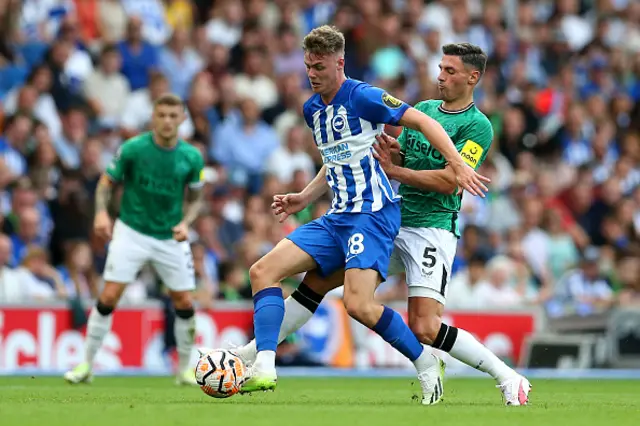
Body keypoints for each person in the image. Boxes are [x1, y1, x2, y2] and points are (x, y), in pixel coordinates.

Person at [231, 43, 531, 406]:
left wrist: (396, 169)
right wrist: (390, 154)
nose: (440, 76)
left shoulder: (477, 126)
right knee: (318, 282)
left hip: (432, 227)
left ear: (473, 77)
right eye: (440, 68)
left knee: (425, 327)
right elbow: (386, 153)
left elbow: (452, 180)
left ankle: (507, 376)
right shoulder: (423, 108)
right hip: (390, 217)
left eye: (450, 71)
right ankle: (253, 355)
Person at [64, 94, 205, 386]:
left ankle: (184, 369)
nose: (167, 121)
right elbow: (106, 183)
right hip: (132, 232)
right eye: (161, 115)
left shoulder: (191, 157)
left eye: (172, 115)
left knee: (184, 300)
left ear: (181, 119)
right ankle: (87, 364)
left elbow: (196, 198)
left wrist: (186, 222)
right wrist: (101, 214)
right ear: (153, 117)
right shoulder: (133, 149)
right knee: (109, 295)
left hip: (169, 236)